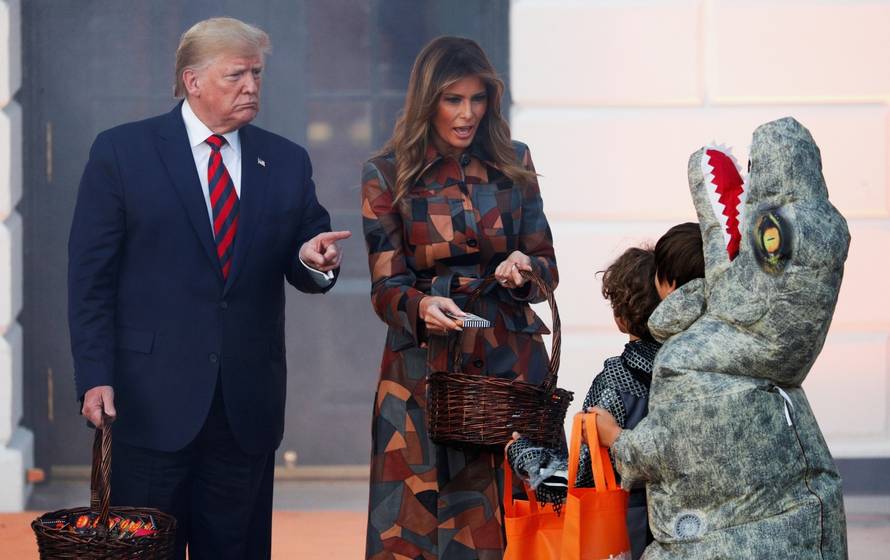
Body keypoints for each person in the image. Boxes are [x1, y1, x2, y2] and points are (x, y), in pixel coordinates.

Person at [68, 17, 349, 559]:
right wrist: (94, 376)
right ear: (192, 80)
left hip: (245, 409)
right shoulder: (122, 152)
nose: (251, 86)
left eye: (257, 74)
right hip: (147, 403)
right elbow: (90, 278)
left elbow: (306, 253)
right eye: (235, 75)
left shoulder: (286, 160)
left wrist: (315, 259)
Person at [360, 35, 558, 559]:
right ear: (428, 100)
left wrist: (524, 269)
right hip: (421, 375)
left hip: (506, 368)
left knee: (510, 520)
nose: (467, 113)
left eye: (477, 99)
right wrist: (422, 307)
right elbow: (386, 289)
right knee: (414, 524)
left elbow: (547, 268)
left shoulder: (514, 163)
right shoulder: (386, 173)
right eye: (453, 99)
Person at [508, 233, 702, 560]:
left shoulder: (616, 382)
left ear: (620, 317)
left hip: (627, 537)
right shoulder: (702, 375)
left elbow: (576, 484)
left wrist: (522, 453)